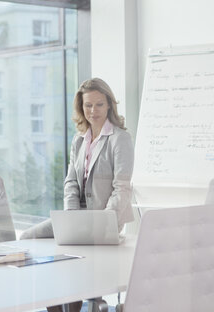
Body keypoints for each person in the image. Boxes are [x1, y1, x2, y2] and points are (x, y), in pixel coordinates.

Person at [20, 78, 135, 312]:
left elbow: (121, 187)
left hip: (104, 219)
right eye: (88, 105)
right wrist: (71, 215)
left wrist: (105, 220)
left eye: (99, 105)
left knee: (74, 259)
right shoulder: (79, 139)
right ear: (80, 107)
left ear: (109, 105)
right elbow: (71, 181)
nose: (93, 111)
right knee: (28, 238)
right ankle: (54, 306)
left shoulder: (120, 139)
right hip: (76, 216)